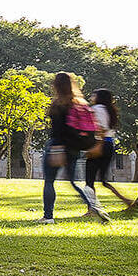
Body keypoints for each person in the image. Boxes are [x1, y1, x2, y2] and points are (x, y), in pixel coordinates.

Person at [41, 71, 111, 223]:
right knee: (73, 182)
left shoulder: (58, 104)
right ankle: (94, 207)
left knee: (49, 181)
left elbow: (57, 131)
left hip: (57, 146)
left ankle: (48, 217)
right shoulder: (80, 103)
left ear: (56, 86)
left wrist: (57, 149)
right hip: (74, 148)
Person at [86, 89, 132, 209]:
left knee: (89, 180)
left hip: (99, 144)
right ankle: (126, 200)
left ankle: (92, 209)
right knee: (104, 181)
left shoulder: (97, 109)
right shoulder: (110, 111)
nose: (91, 98)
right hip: (109, 145)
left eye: (93, 95)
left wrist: (96, 146)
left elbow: (101, 128)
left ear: (99, 97)